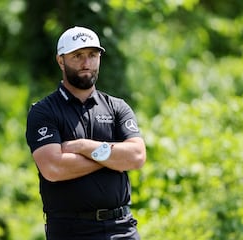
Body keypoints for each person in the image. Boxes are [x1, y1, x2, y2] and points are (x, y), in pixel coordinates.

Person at [26, 26, 146, 240]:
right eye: (78, 55)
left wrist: (84, 147)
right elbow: (54, 167)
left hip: (122, 229)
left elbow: (136, 157)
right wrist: (114, 158)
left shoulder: (117, 107)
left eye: (92, 55)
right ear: (61, 60)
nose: (86, 63)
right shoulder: (43, 111)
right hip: (70, 231)